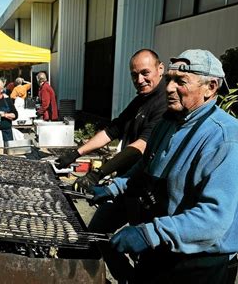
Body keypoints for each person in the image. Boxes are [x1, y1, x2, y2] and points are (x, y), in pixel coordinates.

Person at [88, 49, 238, 283]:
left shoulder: (226, 138)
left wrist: (150, 233)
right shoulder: (169, 122)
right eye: (169, 79)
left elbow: (214, 219)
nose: (169, 88)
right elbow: (146, 166)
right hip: (163, 250)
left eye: (180, 81)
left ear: (211, 87)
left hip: (200, 264)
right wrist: (116, 187)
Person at [55, 48, 167, 282]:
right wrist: (76, 152)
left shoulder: (165, 102)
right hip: (123, 186)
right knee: (95, 235)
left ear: (160, 69)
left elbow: (141, 146)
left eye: (145, 73)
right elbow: (113, 130)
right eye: (134, 75)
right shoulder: (140, 100)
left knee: (140, 249)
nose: (139, 80)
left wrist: (99, 173)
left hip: (145, 192)